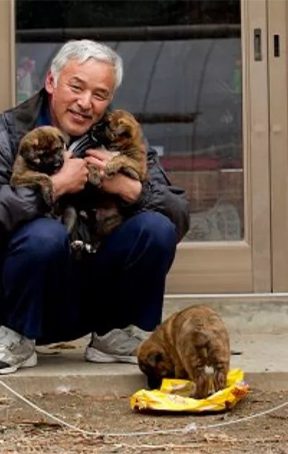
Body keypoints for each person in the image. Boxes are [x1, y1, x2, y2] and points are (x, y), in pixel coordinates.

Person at [0, 40, 190, 372]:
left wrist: (130, 189)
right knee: (43, 235)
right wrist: (54, 188)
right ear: (51, 82)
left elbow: (179, 215)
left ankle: (115, 335)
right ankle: (14, 338)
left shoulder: (120, 137)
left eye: (99, 95)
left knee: (156, 228)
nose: (85, 103)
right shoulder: (10, 131)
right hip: (24, 293)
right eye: (76, 87)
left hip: (90, 291)